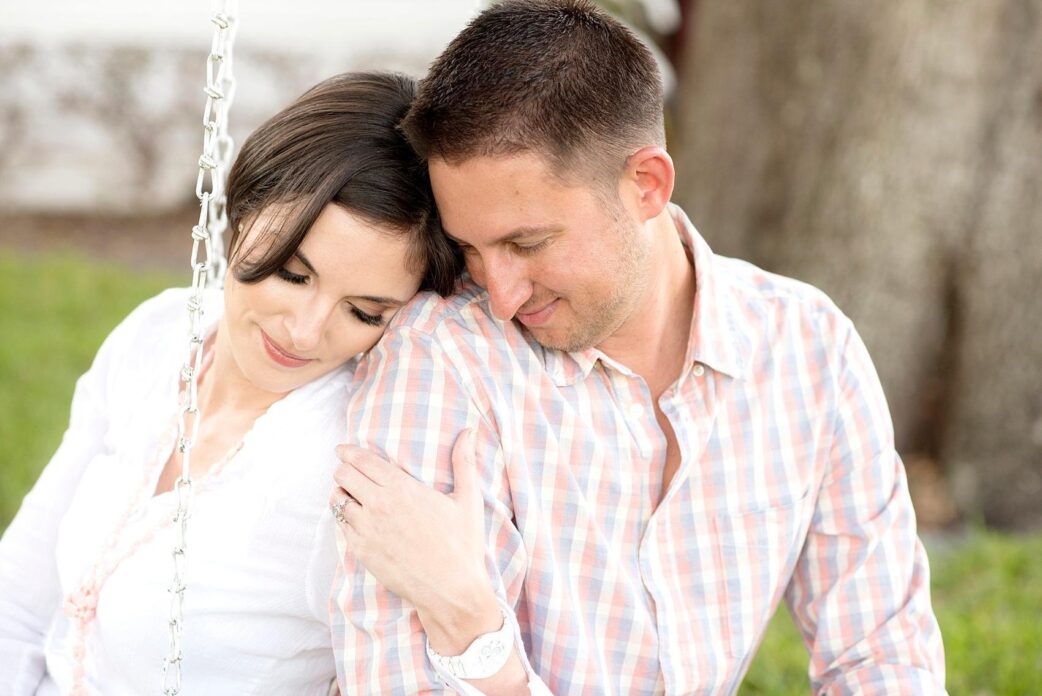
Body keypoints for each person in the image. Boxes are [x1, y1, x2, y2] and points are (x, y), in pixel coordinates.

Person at [328, 1, 948, 694]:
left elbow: (881, 656)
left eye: (526, 243)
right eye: (471, 249)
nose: (498, 295)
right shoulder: (442, 365)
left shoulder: (810, 349)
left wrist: (475, 631)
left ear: (646, 184)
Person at [0, 71, 468, 695]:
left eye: (364, 312)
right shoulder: (160, 333)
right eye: (292, 274)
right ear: (243, 211)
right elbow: (18, 606)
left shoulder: (352, 466)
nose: (304, 332)